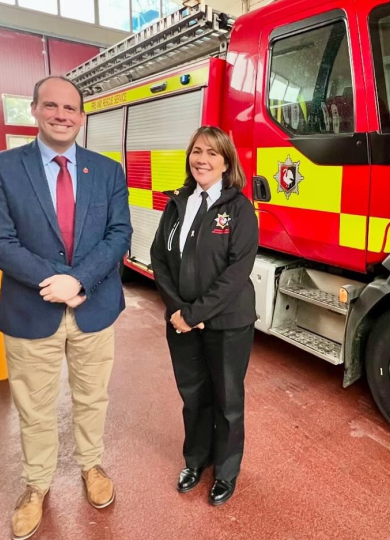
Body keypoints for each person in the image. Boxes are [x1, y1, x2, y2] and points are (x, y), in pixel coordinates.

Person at [0, 75, 132, 539]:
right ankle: (36, 485)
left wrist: (78, 280)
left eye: (71, 108)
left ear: (82, 116)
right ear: (35, 110)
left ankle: (91, 466)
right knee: (35, 407)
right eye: (52, 106)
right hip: (31, 310)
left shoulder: (106, 171)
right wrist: (56, 281)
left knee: (92, 397)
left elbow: (119, 235)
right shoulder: (1, 167)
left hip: (94, 307)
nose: (62, 115)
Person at [150, 126, 258, 506]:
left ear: (226, 162)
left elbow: (236, 272)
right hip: (182, 322)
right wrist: (178, 310)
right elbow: (159, 258)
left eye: (212, 153)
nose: (202, 159)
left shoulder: (239, 208)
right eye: (197, 151)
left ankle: (226, 472)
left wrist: (195, 312)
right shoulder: (177, 202)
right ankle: (196, 461)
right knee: (193, 396)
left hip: (228, 323)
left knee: (227, 400)